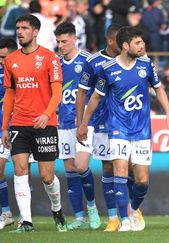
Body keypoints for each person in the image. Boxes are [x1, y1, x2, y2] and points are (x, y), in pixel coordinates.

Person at [77, 26, 169, 232]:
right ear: (125, 45)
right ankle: (124, 219)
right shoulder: (108, 69)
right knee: (119, 170)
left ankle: (134, 209)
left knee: (142, 181)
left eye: (142, 42)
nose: (143, 46)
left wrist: (168, 113)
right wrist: (84, 123)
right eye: (138, 43)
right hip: (117, 128)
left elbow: (159, 89)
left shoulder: (146, 65)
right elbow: (95, 97)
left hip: (142, 130)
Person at [1, 14, 67, 232]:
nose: (19, 31)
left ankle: (57, 208)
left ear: (35, 31)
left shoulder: (50, 58)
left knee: (47, 177)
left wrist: (47, 114)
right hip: (19, 123)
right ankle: (26, 221)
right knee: (20, 170)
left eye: (24, 28)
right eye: (18, 28)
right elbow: (10, 94)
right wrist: (4, 127)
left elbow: (57, 91)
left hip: (45, 124)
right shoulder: (11, 60)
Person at [54, 22, 102, 231]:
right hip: (63, 122)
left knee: (81, 166)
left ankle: (92, 208)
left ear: (74, 38)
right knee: (70, 170)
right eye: (58, 42)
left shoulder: (88, 61)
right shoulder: (56, 63)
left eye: (64, 41)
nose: (61, 45)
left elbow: (99, 91)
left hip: (84, 123)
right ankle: (80, 217)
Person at [75, 23, 122, 232]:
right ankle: (92, 207)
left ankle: (117, 215)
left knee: (111, 166)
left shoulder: (129, 60)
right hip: (93, 120)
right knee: (81, 166)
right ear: (111, 41)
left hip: (116, 121)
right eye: (122, 41)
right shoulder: (93, 62)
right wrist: (81, 122)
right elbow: (82, 92)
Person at [0, 38, 17, 230]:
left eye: (4, 57)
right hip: (3, 129)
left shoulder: (23, 72)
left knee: (26, 173)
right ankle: (6, 212)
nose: (1, 61)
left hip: (23, 126)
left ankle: (26, 216)